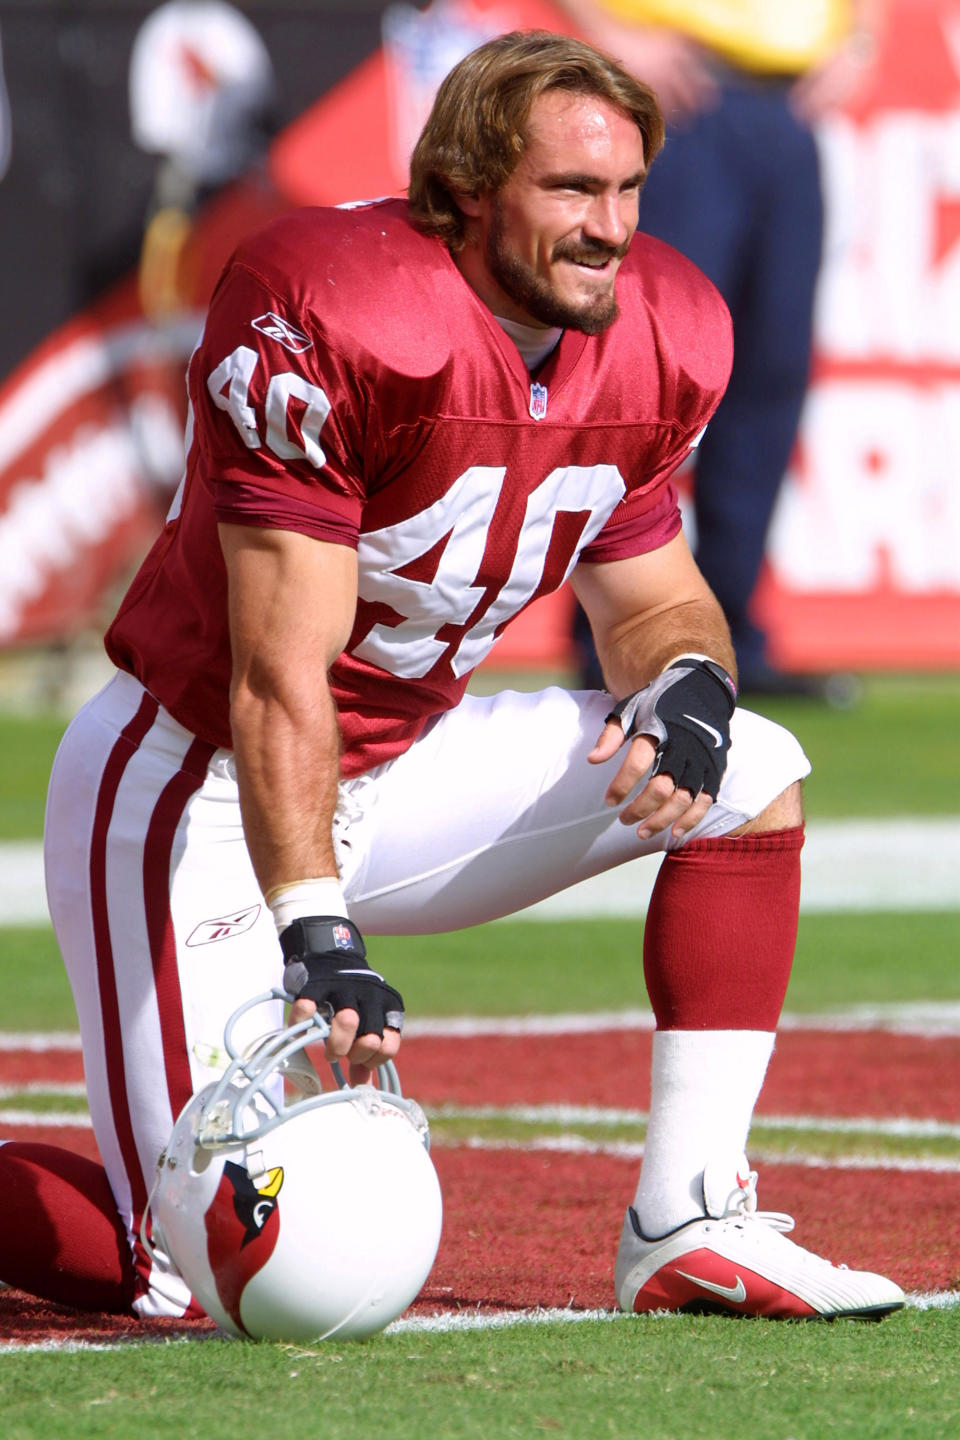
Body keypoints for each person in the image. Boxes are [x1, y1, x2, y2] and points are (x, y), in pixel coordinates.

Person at [1, 31, 902, 1322]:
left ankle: (691, 1221)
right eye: (572, 193)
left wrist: (690, 680)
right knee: (199, 1276)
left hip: (402, 767)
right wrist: (318, 931)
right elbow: (274, 677)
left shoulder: (659, 326)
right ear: (471, 184)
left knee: (752, 770)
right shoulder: (335, 305)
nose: (611, 231)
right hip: (198, 791)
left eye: (628, 192)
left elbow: (652, 596)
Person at [557, 0, 885, 694]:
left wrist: (860, 34)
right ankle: (619, 631)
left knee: (769, 374)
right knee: (650, 365)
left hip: (787, 106)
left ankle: (730, 633)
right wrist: (613, 32)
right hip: (683, 96)